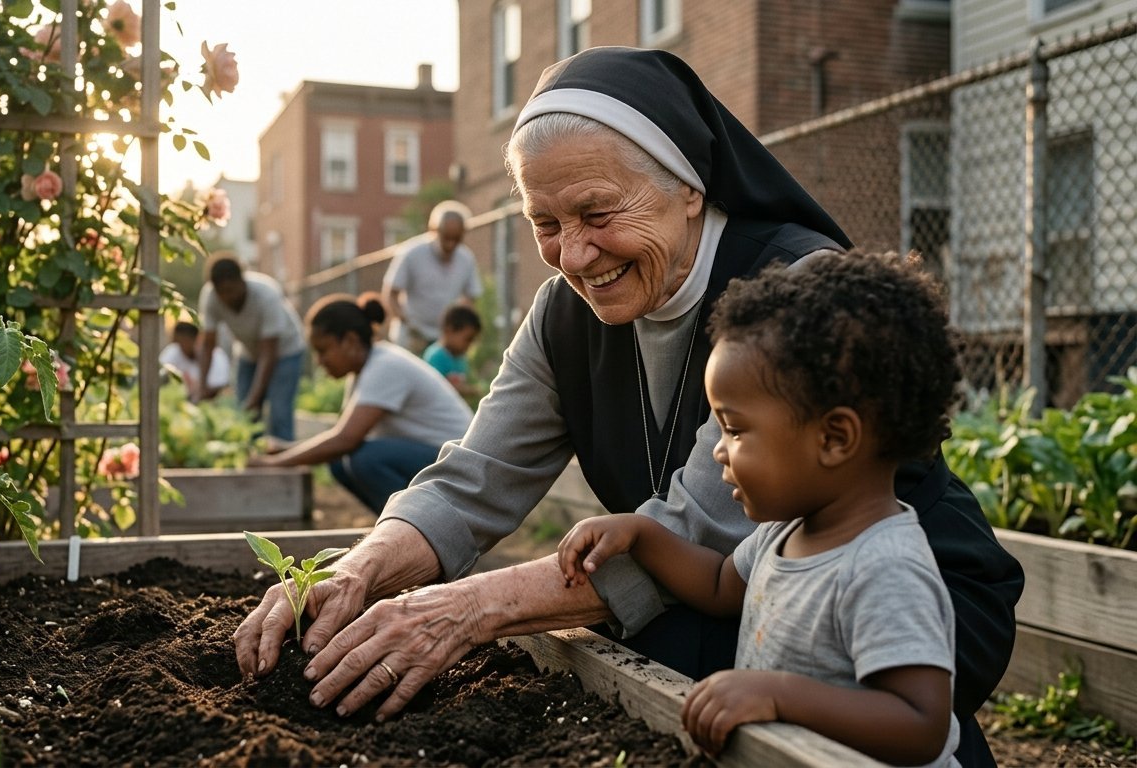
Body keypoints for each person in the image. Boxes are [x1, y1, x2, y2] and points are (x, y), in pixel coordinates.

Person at [233, 47, 1023, 766]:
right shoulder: (561, 314)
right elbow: (475, 477)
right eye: (545, 224)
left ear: (688, 189)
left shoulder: (791, 289)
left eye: (598, 213)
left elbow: (708, 527)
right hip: (736, 589)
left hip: (902, 603)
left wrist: (466, 609)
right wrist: (359, 569)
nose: (574, 256)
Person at [559, 252, 962, 765]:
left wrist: (778, 695)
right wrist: (642, 534)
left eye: (735, 428)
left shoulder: (885, 565)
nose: (719, 450)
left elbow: (920, 724)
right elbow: (721, 584)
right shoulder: (787, 531)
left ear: (835, 438)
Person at [248, 293, 472, 513]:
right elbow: (339, 437)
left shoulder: (384, 366)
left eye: (323, 350)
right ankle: (398, 524)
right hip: (438, 456)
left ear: (350, 341)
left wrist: (276, 463)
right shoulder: (366, 370)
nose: (320, 361)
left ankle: (417, 526)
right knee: (339, 461)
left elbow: (346, 440)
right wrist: (285, 449)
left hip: (461, 466)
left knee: (364, 459)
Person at [197, 256, 305, 441]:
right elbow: (208, 344)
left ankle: (284, 462)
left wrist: (255, 398)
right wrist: (202, 387)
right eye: (222, 292)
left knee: (279, 411)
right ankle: (252, 460)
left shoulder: (267, 295)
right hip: (248, 353)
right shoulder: (211, 296)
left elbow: (268, 352)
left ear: (242, 280)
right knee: (246, 415)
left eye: (231, 290)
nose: (227, 297)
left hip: (286, 351)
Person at [382, 200, 483, 355]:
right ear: (433, 230)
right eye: (446, 237)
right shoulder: (412, 253)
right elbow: (391, 293)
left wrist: (459, 330)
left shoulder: (466, 259)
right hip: (411, 336)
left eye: (456, 239)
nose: (450, 245)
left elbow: (470, 297)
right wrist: (406, 322)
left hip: (444, 340)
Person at [159, 320, 230, 401]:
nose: (180, 346)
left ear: (197, 339)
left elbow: (219, 389)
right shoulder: (174, 351)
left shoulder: (218, 357)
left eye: (184, 342)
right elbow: (160, 374)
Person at [422, 305, 482, 400]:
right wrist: (467, 390)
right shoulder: (436, 356)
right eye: (468, 339)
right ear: (449, 331)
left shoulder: (460, 358)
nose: (470, 344)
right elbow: (436, 388)